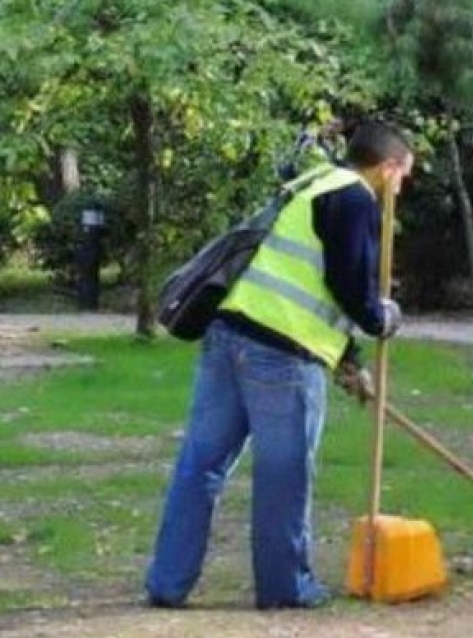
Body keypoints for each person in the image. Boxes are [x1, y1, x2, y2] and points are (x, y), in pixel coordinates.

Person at [145, 121, 412, 610]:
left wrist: (346, 361)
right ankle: (286, 588)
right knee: (283, 473)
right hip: (283, 355)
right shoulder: (355, 198)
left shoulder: (314, 184)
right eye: (404, 176)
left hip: (230, 334)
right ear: (389, 166)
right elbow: (350, 287)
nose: (402, 188)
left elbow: (310, 281)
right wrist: (383, 318)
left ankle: (167, 583)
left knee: (201, 464)